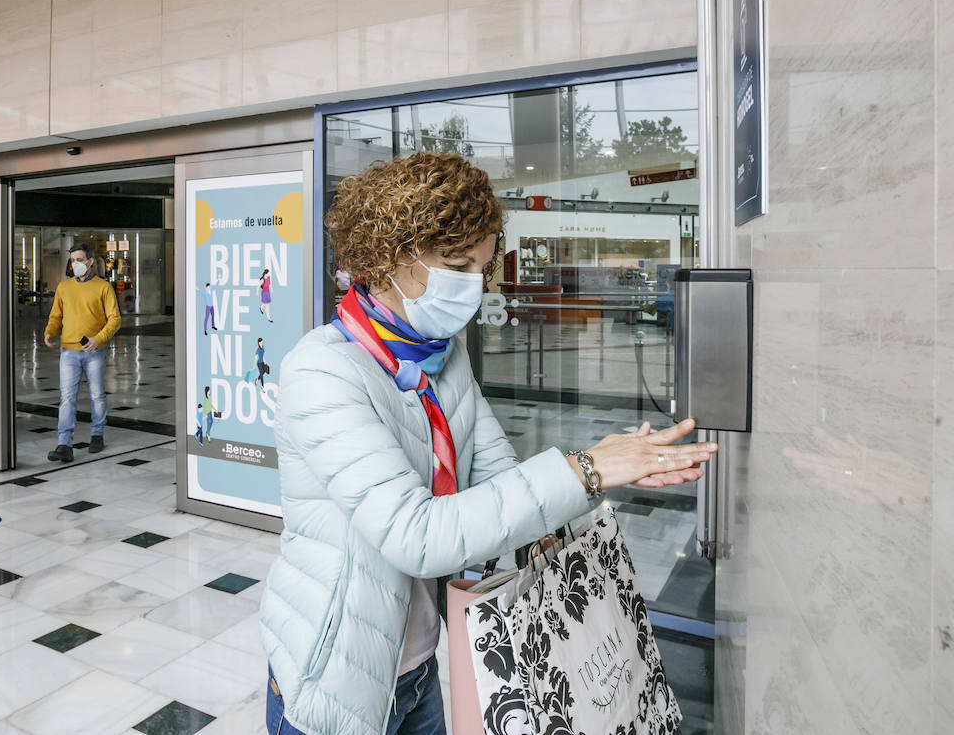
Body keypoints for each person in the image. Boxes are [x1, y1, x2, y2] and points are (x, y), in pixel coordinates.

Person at [258, 153, 717, 735]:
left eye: (482, 265)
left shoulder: (442, 354)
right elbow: (416, 536)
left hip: (418, 668)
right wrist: (585, 470)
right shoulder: (322, 372)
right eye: (457, 265)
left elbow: (497, 472)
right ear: (391, 257)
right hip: (335, 676)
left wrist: (608, 471)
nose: (474, 284)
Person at [43, 243, 121, 462]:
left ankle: (97, 434)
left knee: (97, 394)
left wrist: (98, 339)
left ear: (90, 262)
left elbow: (115, 319)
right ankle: (64, 444)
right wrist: (50, 332)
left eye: (79, 260)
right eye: (72, 260)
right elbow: (56, 315)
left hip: (94, 352)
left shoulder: (103, 287)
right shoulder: (64, 287)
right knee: (67, 397)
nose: (75, 264)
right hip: (68, 351)